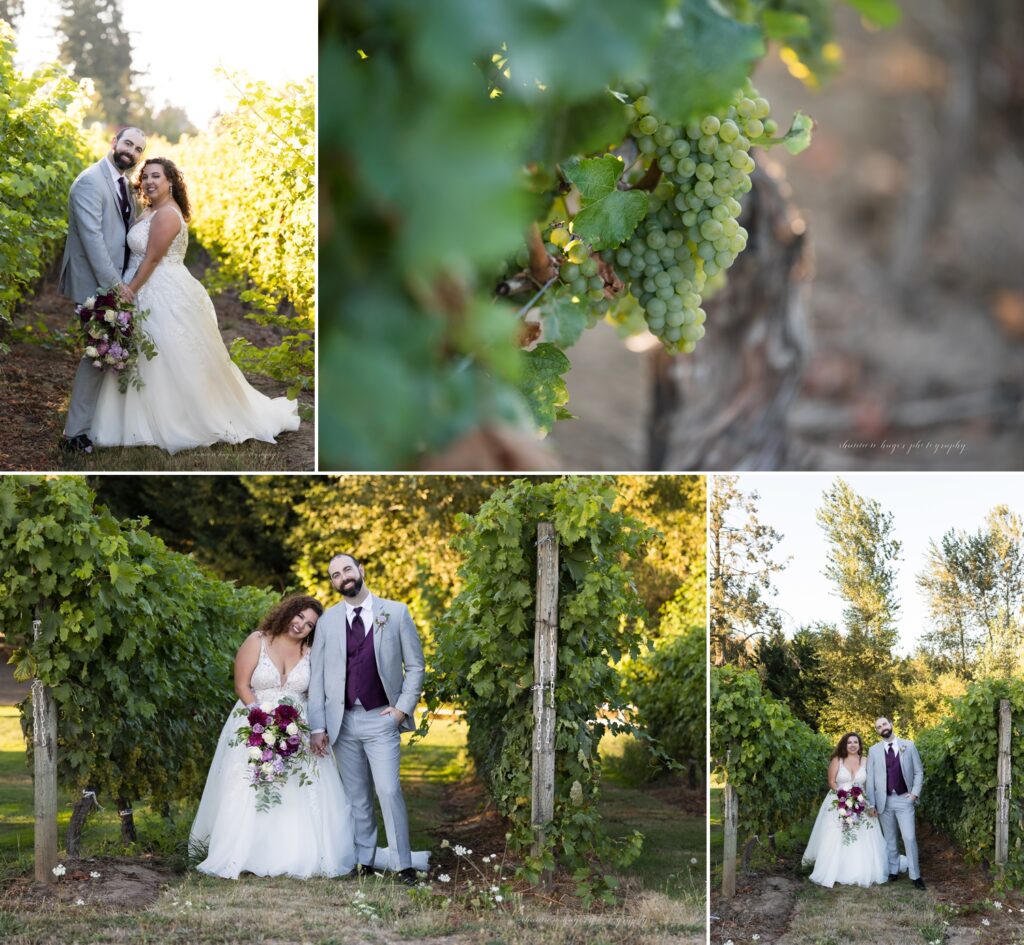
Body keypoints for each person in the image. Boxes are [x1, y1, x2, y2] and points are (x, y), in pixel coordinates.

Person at [89, 157, 300, 453]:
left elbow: (151, 259)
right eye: (145, 176)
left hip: (157, 286)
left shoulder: (166, 215)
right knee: (147, 353)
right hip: (144, 282)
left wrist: (129, 292)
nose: (149, 181)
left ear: (170, 181)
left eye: (156, 177)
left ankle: (175, 420)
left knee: (164, 353)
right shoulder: (151, 209)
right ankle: (135, 424)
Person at [189, 594, 357, 878]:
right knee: (250, 786)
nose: (301, 625)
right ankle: (244, 852)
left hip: (297, 727)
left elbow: (317, 694)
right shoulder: (259, 640)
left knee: (296, 788)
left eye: (309, 624)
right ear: (289, 612)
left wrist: (315, 729)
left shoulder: (312, 652)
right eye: (299, 616)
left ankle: (296, 854)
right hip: (252, 720)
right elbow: (242, 684)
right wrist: (262, 723)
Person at [308, 553, 428, 886]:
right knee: (357, 796)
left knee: (389, 790)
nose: (343, 577)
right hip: (342, 722)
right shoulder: (327, 623)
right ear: (333, 583)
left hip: (381, 718)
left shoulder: (396, 612)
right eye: (335, 575)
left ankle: (404, 865)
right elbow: (317, 677)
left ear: (360, 571)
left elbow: (415, 666)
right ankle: (366, 861)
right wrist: (318, 726)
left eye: (347, 569)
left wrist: (402, 708)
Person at [58, 127, 147, 454]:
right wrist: (117, 287)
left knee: (108, 354)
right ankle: (74, 435)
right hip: (97, 285)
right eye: (128, 143)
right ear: (114, 142)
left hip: (115, 282)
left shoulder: (123, 184)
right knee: (96, 356)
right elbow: (94, 241)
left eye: (138, 149)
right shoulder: (90, 182)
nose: (131, 152)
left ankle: (94, 425)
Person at [802, 732, 890, 887]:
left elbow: (869, 785)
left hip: (860, 801)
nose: (853, 745)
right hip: (838, 801)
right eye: (849, 742)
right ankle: (834, 869)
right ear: (844, 744)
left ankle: (861, 869)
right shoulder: (837, 760)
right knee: (836, 834)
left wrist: (869, 804)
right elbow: (831, 781)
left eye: (856, 742)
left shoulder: (865, 761)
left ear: (860, 745)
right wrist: (844, 797)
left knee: (862, 834)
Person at [866, 716, 926, 889]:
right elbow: (870, 779)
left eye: (884, 724)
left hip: (904, 799)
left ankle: (915, 875)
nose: (882, 728)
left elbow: (919, 772)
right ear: (877, 731)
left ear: (891, 725)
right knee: (890, 839)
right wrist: (872, 803)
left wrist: (914, 794)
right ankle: (893, 870)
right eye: (878, 727)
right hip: (883, 801)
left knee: (909, 837)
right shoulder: (874, 750)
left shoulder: (909, 745)